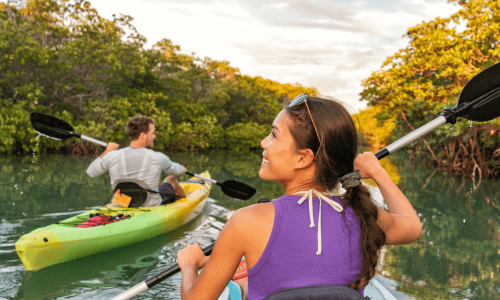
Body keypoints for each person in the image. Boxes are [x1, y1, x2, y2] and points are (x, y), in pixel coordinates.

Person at [176, 94, 423, 300]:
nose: (264, 143)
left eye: (273, 135)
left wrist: (189, 264)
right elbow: (412, 227)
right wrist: (377, 172)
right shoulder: (364, 216)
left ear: (303, 158)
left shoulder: (245, 222)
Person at [86, 116, 187, 207]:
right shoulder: (158, 157)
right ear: (143, 135)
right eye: (152, 133)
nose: (154, 136)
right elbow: (177, 171)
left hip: (121, 204)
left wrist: (107, 151)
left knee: (157, 179)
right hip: (149, 205)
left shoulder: (112, 155)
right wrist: (183, 169)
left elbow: (90, 172)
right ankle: (186, 202)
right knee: (171, 179)